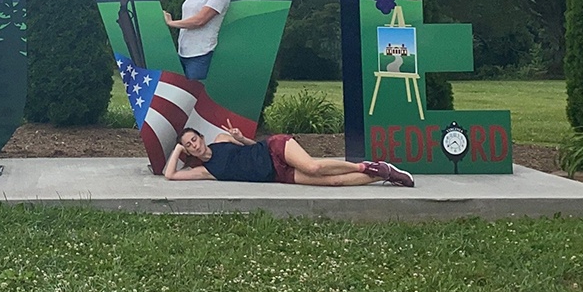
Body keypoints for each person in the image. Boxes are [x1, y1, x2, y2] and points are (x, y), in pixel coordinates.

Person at [163, 123, 415, 187]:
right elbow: (170, 175)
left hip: (273, 148)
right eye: (188, 145)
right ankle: (383, 173)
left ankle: (365, 167)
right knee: (334, 182)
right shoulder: (206, 171)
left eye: (194, 139)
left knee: (314, 167)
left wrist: (240, 139)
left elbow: (253, 145)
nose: (193, 145)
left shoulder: (220, 140)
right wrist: (176, 149)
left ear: (202, 138)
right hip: (276, 174)